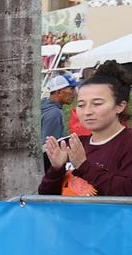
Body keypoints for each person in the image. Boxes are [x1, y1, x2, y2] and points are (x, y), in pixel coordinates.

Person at [41, 62, 132, 197]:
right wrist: (57, 169)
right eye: (81, 105)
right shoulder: (72, 144)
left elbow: (127, 191)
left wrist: (84, 166)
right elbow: (46, 197)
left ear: (120, 106)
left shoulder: (127, 144)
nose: (87, 112)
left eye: (97, 104)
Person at [41, 73, 76, 142]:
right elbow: (49, 146)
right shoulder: (54, 113)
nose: (74, 93)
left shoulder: (44, 105)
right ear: (59, 92)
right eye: (71, 89)